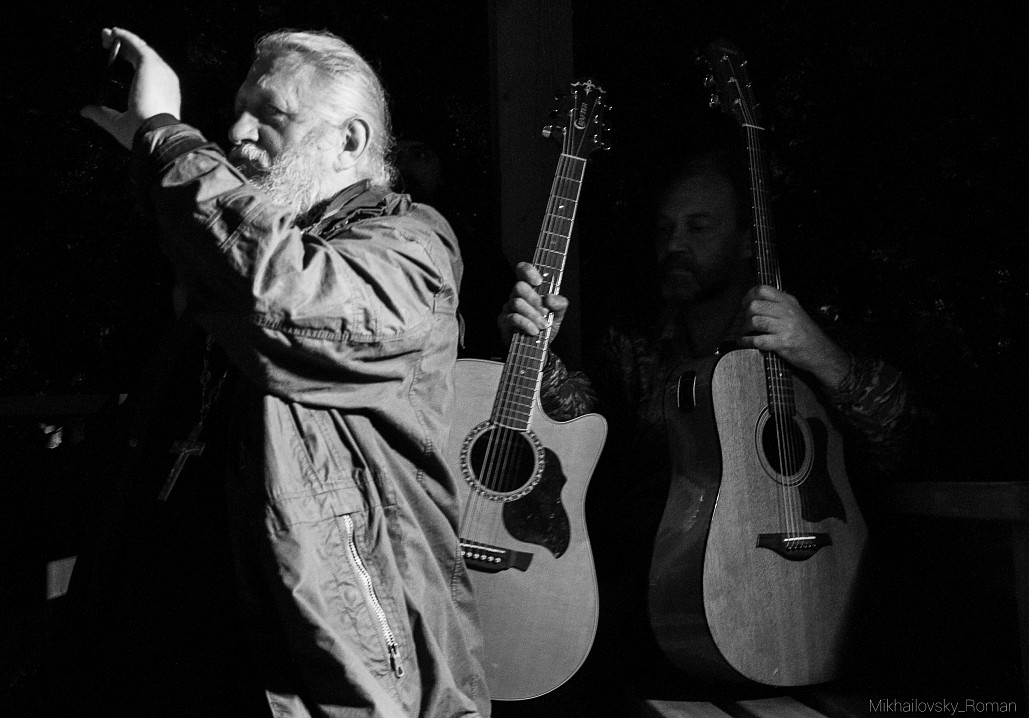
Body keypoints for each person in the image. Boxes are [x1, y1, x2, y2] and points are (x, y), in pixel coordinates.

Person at [64, 26, 489, 717]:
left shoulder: (410, 248)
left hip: (330, 672)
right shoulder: (230, 256)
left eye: (272, 115)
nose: (236, 130)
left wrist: (169, 141)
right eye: (237, 109)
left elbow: (281, 298)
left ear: (350, 142)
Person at [496, 141, 914, 706]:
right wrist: (535, 352)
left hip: (809, 608)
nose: (675, 245)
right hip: (656, 610)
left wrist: (819, 352)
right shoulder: (635, 346)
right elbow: (579, 432)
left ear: (747, 241)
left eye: (699, 226)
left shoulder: (799, 337)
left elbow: (900, 439)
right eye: (666, 228)